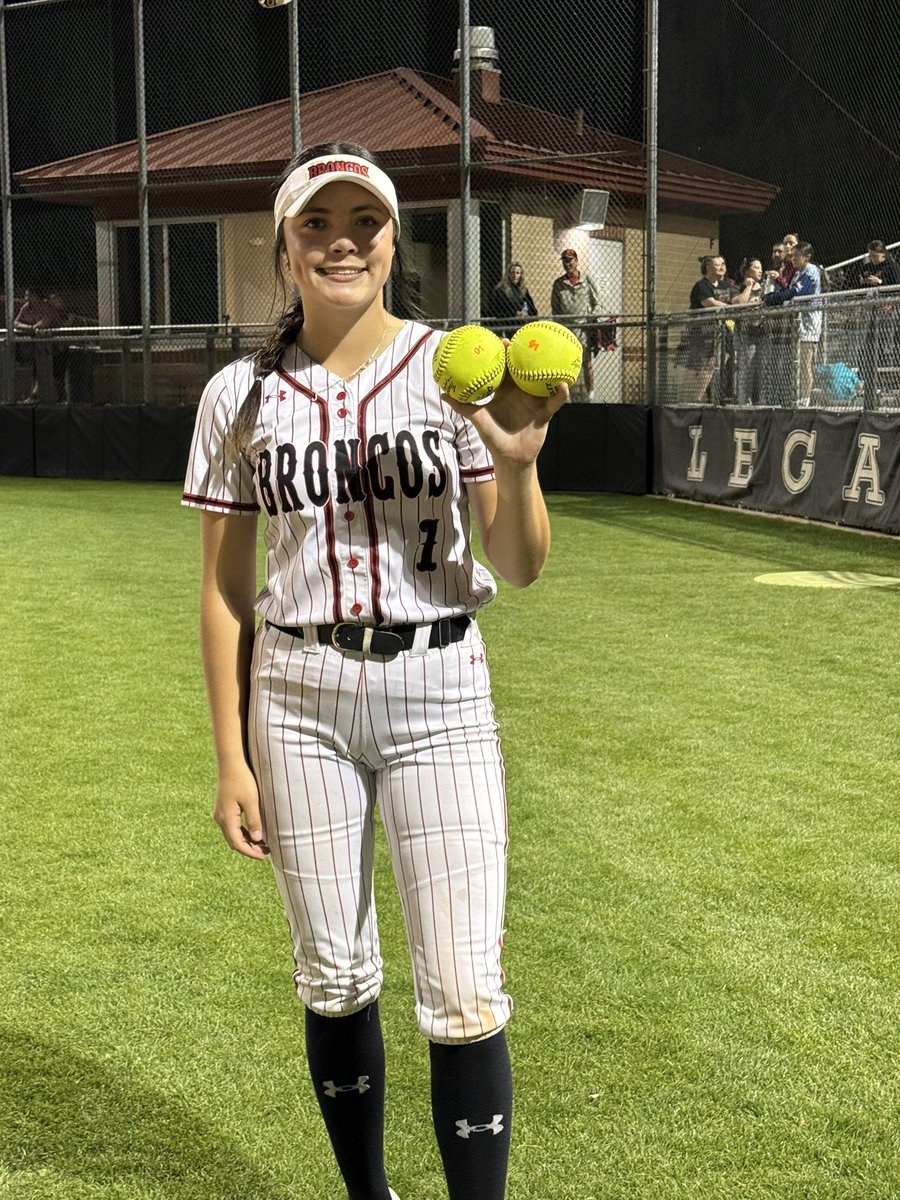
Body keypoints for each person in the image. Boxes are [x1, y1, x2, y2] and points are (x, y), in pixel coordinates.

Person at [182, 141, 567, 1200]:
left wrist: (519, 470)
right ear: (284, 246)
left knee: (463, 986)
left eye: (366, 221)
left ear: (395, 241)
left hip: (440, 694)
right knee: (334, 976)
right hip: (296, 700)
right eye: (317, 223)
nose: (342, 242)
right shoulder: (240, 395)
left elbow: (520, 565)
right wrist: (231, 757)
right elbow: (223, 592)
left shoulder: (456, 369)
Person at [764, 241, 822, 405]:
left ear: (807, 257)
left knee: (805, 362)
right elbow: (787, 290)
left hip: (810, 322)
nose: (793, 259)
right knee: (796, 362)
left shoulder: (811, 270)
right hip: (798, 321)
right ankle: (796, 395)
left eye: (796, 256)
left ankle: (805, 399)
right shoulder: (797, 272)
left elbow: (796, 292)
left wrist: (771, 300)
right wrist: (771, 296)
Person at [550, 248, 600, 400]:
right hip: (566, 331)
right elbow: (555, 310)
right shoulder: (559, 284)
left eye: (570, 260)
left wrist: (592, 317)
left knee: (587, 363)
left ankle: (591, 395)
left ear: (576, 261)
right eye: (565, 261)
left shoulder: (587, 280)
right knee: (565, 365)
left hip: (583, 329)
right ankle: (566, 396)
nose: (567, 264)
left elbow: (597, 303)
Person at [683, 254, 731, 403]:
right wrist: (731, 308)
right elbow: (709, 303)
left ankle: (713, 398)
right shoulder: (702, 286)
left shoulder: (724, 286)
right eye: (718, 264)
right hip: (702, 333)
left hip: (720, 332)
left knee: (720, 362)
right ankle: (695, 399)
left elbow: (732, 299)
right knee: (704, 366)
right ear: (708, 267)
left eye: (723, 264)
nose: (722, 267)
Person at [13, 286, 66, 400]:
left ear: (36, 297)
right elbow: (16, 323)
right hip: (38, 344)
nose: (25, 298)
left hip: (55, 344)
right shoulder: (26, 307)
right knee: (36, 364)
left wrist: (33, 328)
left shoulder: (47, 306)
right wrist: (30, 328)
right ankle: (36, 395)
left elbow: (44, 324)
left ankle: (58, 397)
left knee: (56, 372)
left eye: (28, 296)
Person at [730, 257, 766, 405]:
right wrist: (748, 287)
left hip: (762, 333)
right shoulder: (737, 288)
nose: (760, 270)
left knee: (762, 371)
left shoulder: (765, 288)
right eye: (756, 267)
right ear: (747, 271)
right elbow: (739, 303)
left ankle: (761, 402)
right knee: (747, 370)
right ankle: (745, 403)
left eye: (761, 268)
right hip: (745, 335)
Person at [487, 261, 537, 337]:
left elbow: (533, 309)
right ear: (508, 274)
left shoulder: (523, 290)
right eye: (512, 273)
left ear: (521, 275)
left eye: (517, 273)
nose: (515, 275)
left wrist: (526, 313)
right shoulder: (501, 290)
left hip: (522, 325)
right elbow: (495, 310)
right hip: (506, 325)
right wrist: (514, 313)